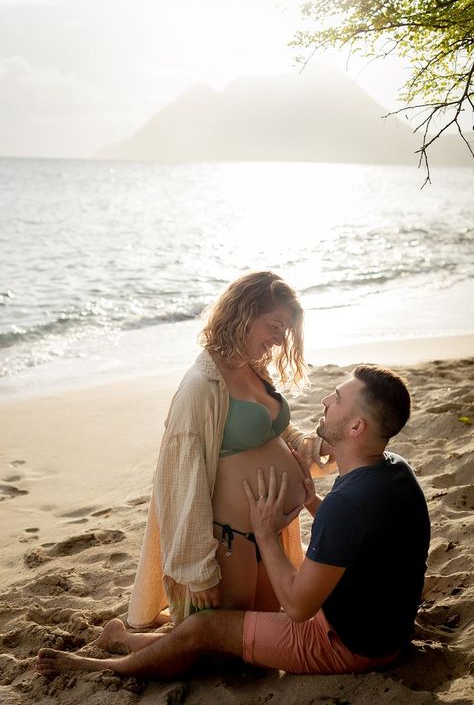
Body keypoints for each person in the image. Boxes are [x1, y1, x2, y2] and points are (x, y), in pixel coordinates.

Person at [35, 364, 431, 678]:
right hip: (383, 630)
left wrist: (265, 533)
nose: (327, 397)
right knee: (224, 628)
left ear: (356, 427)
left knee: (204, 628)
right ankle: (126, 639)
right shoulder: (395, 470)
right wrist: (312, 502)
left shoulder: (348, 503)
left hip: (343, 643)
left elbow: (296, 607)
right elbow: (361, 535)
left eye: (339, 398)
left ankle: (106, 667)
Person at [125, 271, 333, 628]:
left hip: (270, 531)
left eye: (285, 330)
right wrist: (197, 570)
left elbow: (280, 436)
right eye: (275, 325)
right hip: (230, 539)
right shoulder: (201, 385)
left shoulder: (254, 370)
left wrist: (320, 447)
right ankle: (126, 640)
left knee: (266, 629)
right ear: (245, 313)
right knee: (224, 645)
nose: (279, 340)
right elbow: (180, 482)